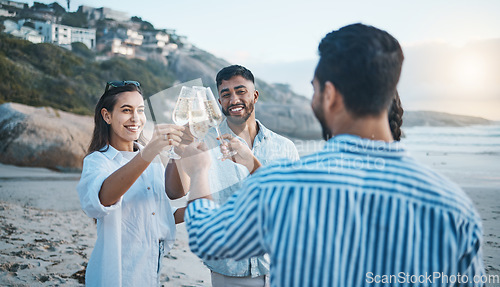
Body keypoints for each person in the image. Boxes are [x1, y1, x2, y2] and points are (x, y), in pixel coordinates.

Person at [180, 23, 485, 287]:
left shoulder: (284, 185)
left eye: (314, 89)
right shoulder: (453, 206)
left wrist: (198, 172)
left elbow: (210, 238)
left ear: (330, 95)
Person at [166, 65, 299, 287]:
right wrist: (179, 147)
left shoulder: (285, 148)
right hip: (229, 268)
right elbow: (174, 191)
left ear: (255, 95)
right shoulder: (204, 142)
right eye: (226, 94)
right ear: (218, 102)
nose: (233, 99)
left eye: (241, 91)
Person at [76, 81, 185, 286]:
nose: (135, 118)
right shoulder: (98, 161)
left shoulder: (150, 159)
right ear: (107, 116)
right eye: (126, 110)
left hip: (151, 264)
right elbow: (103, 198)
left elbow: (159, 212)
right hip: (117, 270)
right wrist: (150, 150)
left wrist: (201, 208)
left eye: (140, 110)